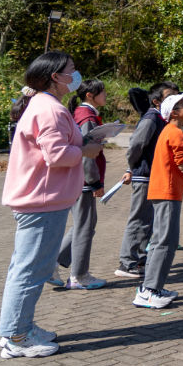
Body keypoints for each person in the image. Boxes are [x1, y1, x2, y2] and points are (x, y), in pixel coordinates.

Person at [0, 51, 103, 358]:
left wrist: (82, 146)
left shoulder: (46, 106)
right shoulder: (50, 110)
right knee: (31, 271)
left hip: (41, 200)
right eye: (72, 69)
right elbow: (56, 155)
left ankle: (19, 328)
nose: (76, 73)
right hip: (42, 202)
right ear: (55, 76)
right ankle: (18, 337)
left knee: (27, 268)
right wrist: (86, 150)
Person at [134, 89, 183, 309]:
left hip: (164, 191)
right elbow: (182, 164)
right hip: (168, 191)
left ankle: (153, 287)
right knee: (164, 242)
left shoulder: (168, 130)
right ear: (175, 113)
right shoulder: (176, 133)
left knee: (163, 240)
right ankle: (149, 290)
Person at [117, 81, 178, 278]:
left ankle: (140, 259)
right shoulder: (152, 117)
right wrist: (133, 168)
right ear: (156, 101)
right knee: (139, 219)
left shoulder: (164, 118)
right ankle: (128, 262)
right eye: (169, 97)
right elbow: (136, 145)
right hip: (144, 176)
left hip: (154, 176)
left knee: (148, 221)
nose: (175, 101)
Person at [56, 78, 108, 290]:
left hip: (80, 178)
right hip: (84, 180)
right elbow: (87, 155)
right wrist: (95, 182)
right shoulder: (86, 117)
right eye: (102, 92)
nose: (106, 96)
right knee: (85, 228)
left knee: (82, 225)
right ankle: (79, 275)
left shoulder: (82, 113)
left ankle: (54, 261)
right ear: (90, 95)